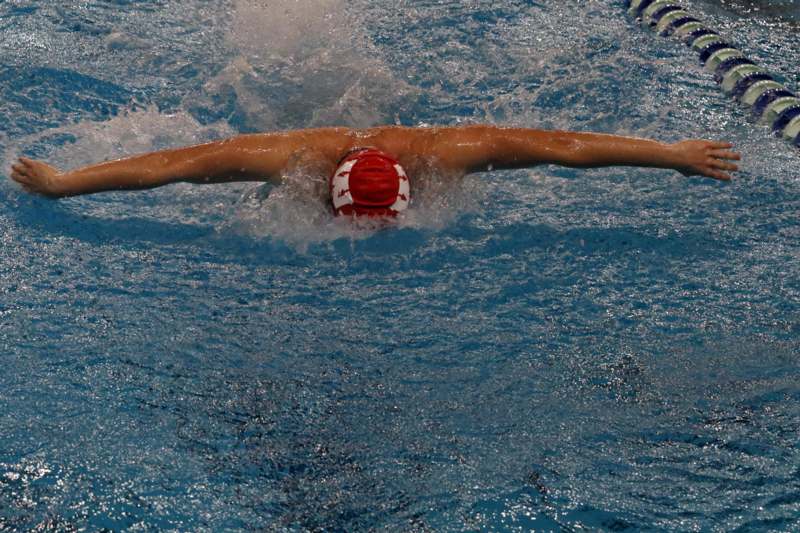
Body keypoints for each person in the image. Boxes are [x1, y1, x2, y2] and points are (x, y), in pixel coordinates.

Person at [9, 125, 740, 217]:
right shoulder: (290, 160)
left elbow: (564, 149)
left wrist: (673, 156)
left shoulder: (447, 153)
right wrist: (66, 180)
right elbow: (174, 165)